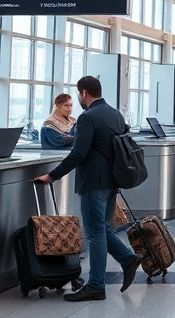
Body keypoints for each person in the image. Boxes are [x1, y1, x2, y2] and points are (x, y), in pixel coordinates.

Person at [33, 76, 144, 302]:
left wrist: (52, 176)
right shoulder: (115, 113)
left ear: (83, 93)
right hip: (113, 180)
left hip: (94, 181)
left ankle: (96, 285)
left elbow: (78, 153)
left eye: (78, 95)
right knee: (103, 228)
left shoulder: (87, 117)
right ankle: (127, 258)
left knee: (94, 233)